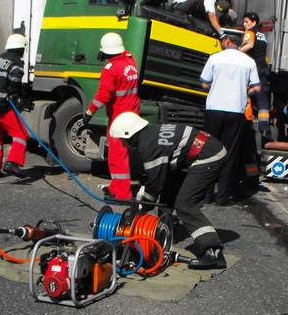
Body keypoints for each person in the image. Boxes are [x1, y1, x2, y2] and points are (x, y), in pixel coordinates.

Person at [109, 112, 228, 270]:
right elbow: (161, 181)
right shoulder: (151, 132)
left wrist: (141, 208)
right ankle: (167, 227)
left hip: (209, 155)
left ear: (130, 136)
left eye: (124, 141)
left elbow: (155, 185)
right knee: (169, 184)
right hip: (200, 151)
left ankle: (212, 252)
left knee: (185, 205)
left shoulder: (148, 146)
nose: (125, 145)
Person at [200, 35, 261, 205]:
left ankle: (206, 194)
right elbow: (256, 87)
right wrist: (243, 92)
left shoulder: (214, 58)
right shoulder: (249, 62)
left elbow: (204, 84)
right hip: (235, 111)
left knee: (209, 150)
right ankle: (223, 196)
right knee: (230, 153)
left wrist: (217, 87)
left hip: (214, 109)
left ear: (227, 41)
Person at [81, 32, 140, 199]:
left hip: (119, 116)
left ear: (106, 51)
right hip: (132, 112)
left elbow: (103, 96)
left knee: (117, 154)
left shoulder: (111, 68)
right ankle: (116, 186)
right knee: (123, 152)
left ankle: (122, 193)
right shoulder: (130, 60)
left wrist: (89, 112)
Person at [0, 33, 32, 180]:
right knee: (21, 134)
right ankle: (12, 162)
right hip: (0, 106)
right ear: (21, 49)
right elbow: (15, 83)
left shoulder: (0, 57)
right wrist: (18, 97)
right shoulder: (17, 63)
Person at [240, 12, 272, 139]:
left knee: (244, 94)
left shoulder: (250, 32)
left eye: (246, 21)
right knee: (262, 101)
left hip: (252, 70)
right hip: (262, 70)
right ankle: (264, 130)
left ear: (253, 22)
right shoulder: (262, 35)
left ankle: (243, 124)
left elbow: (250, 45)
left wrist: (236, 51)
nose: (244, 24)